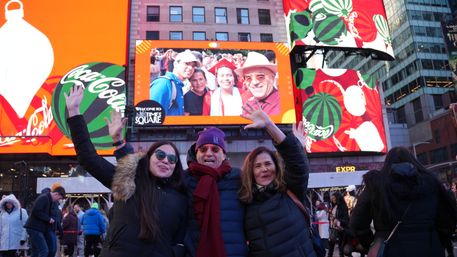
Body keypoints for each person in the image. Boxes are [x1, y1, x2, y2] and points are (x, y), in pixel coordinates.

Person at [65, 85, 188, 257]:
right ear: (148, 159)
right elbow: (88, 158)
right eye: (160, 155)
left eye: (172, 159)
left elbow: (181, 239)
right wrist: (74, 112)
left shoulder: (181, 197)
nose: (166, 161)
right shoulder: (128, 183)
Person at [238, 104, 317, 257]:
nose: (264, 169)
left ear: (276, 167)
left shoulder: (290, 191)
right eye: (258, 166)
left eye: (268, 164)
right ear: (250, 172)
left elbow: (297, 164)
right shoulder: (244, 202)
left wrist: (269, 125)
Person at [349, 146, 457, 257]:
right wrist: (437, 242)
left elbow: (357, 224)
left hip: (389, 249)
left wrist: (373, 244)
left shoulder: (377, 185)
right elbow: (448, 219)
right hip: (429, 247)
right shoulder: (431, 182)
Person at [150, 49, 200, 116]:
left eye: (193, 66)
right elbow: (151, 117)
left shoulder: (178, 85)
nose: (190, 68)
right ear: (176, 64)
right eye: (186, 63)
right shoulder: (164, 83)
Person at [24, 186, 66, 257]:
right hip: (35, 228)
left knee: (36, 251)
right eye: (59, 198)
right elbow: (36, 211)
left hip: (36, 228)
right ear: (56, 194)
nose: (58, 200)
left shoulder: (48, 199)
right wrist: (48, 219)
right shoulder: (44, 198)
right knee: (44, 251)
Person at [327, 192, 349, 257]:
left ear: (338, 198)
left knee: (341, 249)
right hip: (332, 229)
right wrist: (330, 216)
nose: (332, 200)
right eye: (332, 199)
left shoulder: (343, 206)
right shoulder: (333, 206)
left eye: (334, 198)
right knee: (330, 249)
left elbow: (346, 220)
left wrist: (337, 220)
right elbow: (330, 217)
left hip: (340, 230)